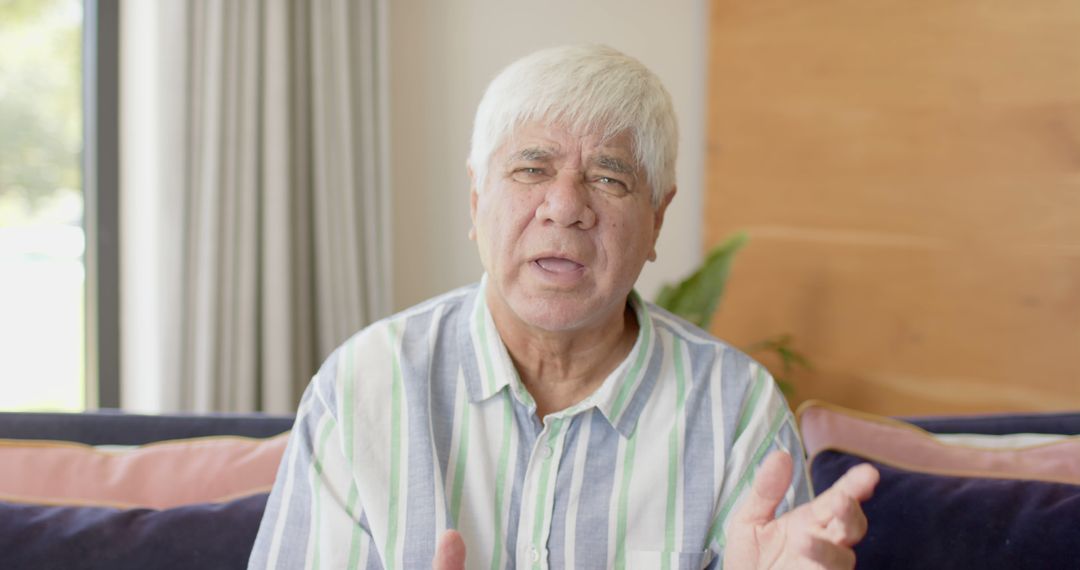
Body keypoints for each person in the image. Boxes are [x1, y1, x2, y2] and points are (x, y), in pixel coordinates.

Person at [249, 44, 878, 570]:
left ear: (657, 220)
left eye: (609, 178)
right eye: (531, 169)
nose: (565, 206)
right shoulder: (366, 384)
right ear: (476, 200)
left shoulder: (736, 408)